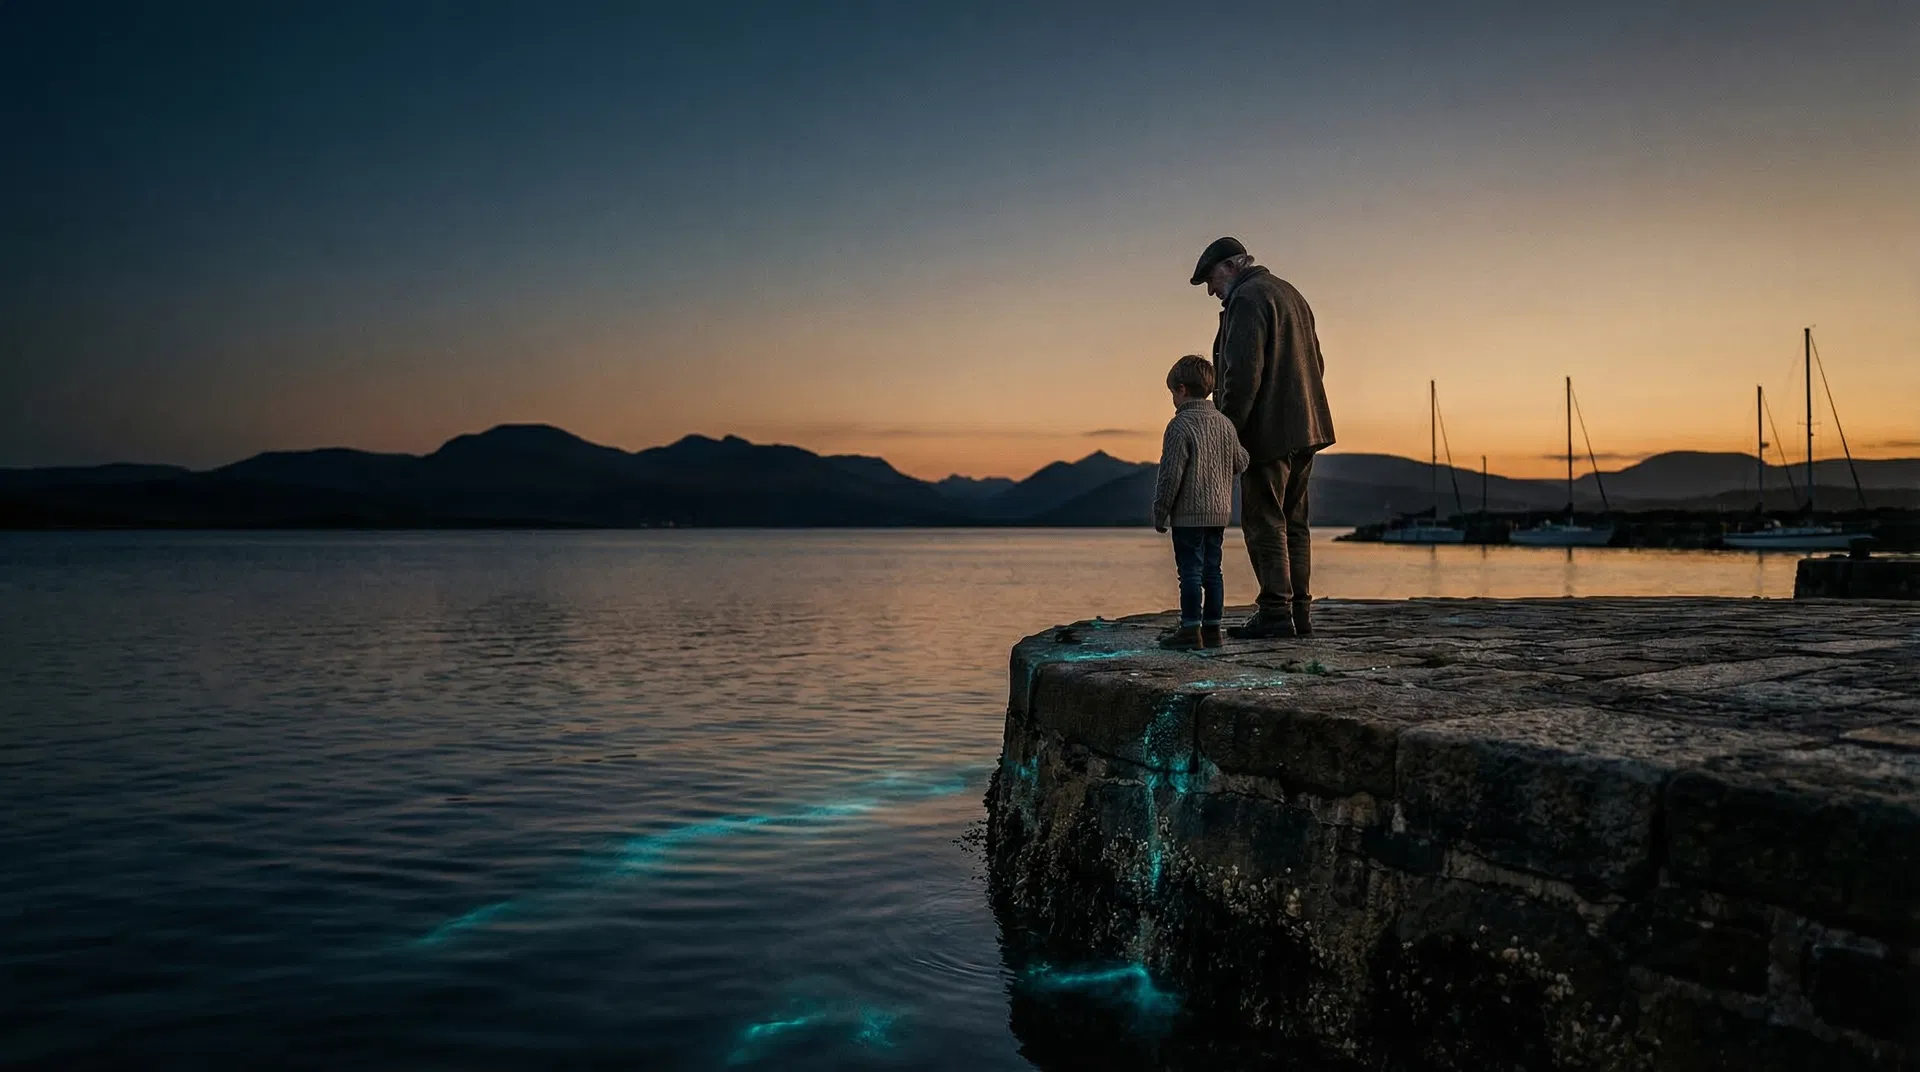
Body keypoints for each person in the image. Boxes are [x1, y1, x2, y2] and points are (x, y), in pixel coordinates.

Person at [1190, 237, 1335, 639]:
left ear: (1233, 266)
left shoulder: (1248, 299)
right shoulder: (1291, 294)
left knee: (1264, 521)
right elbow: (1317, 363)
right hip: (1307, 427)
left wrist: (1225, 433)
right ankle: (1299, 614)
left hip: (1268, 432)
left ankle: (1274, 613)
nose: (1210, 290)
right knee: (1295, 522)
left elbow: (1241, 375)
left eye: (1211, 278)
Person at [1151, 355, 1249, 650]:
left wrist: (1161, 512)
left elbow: (1170, 475)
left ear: (1181, 390)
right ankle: (1213, 631)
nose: (1172, 400)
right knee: (1212, 571)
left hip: (1189, 514)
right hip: (1219, 513)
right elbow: (1241, 461)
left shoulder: (1179, 426)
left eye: (1172, 393)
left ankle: (1190, 631)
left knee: (1190, 573)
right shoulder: (1224, 424)